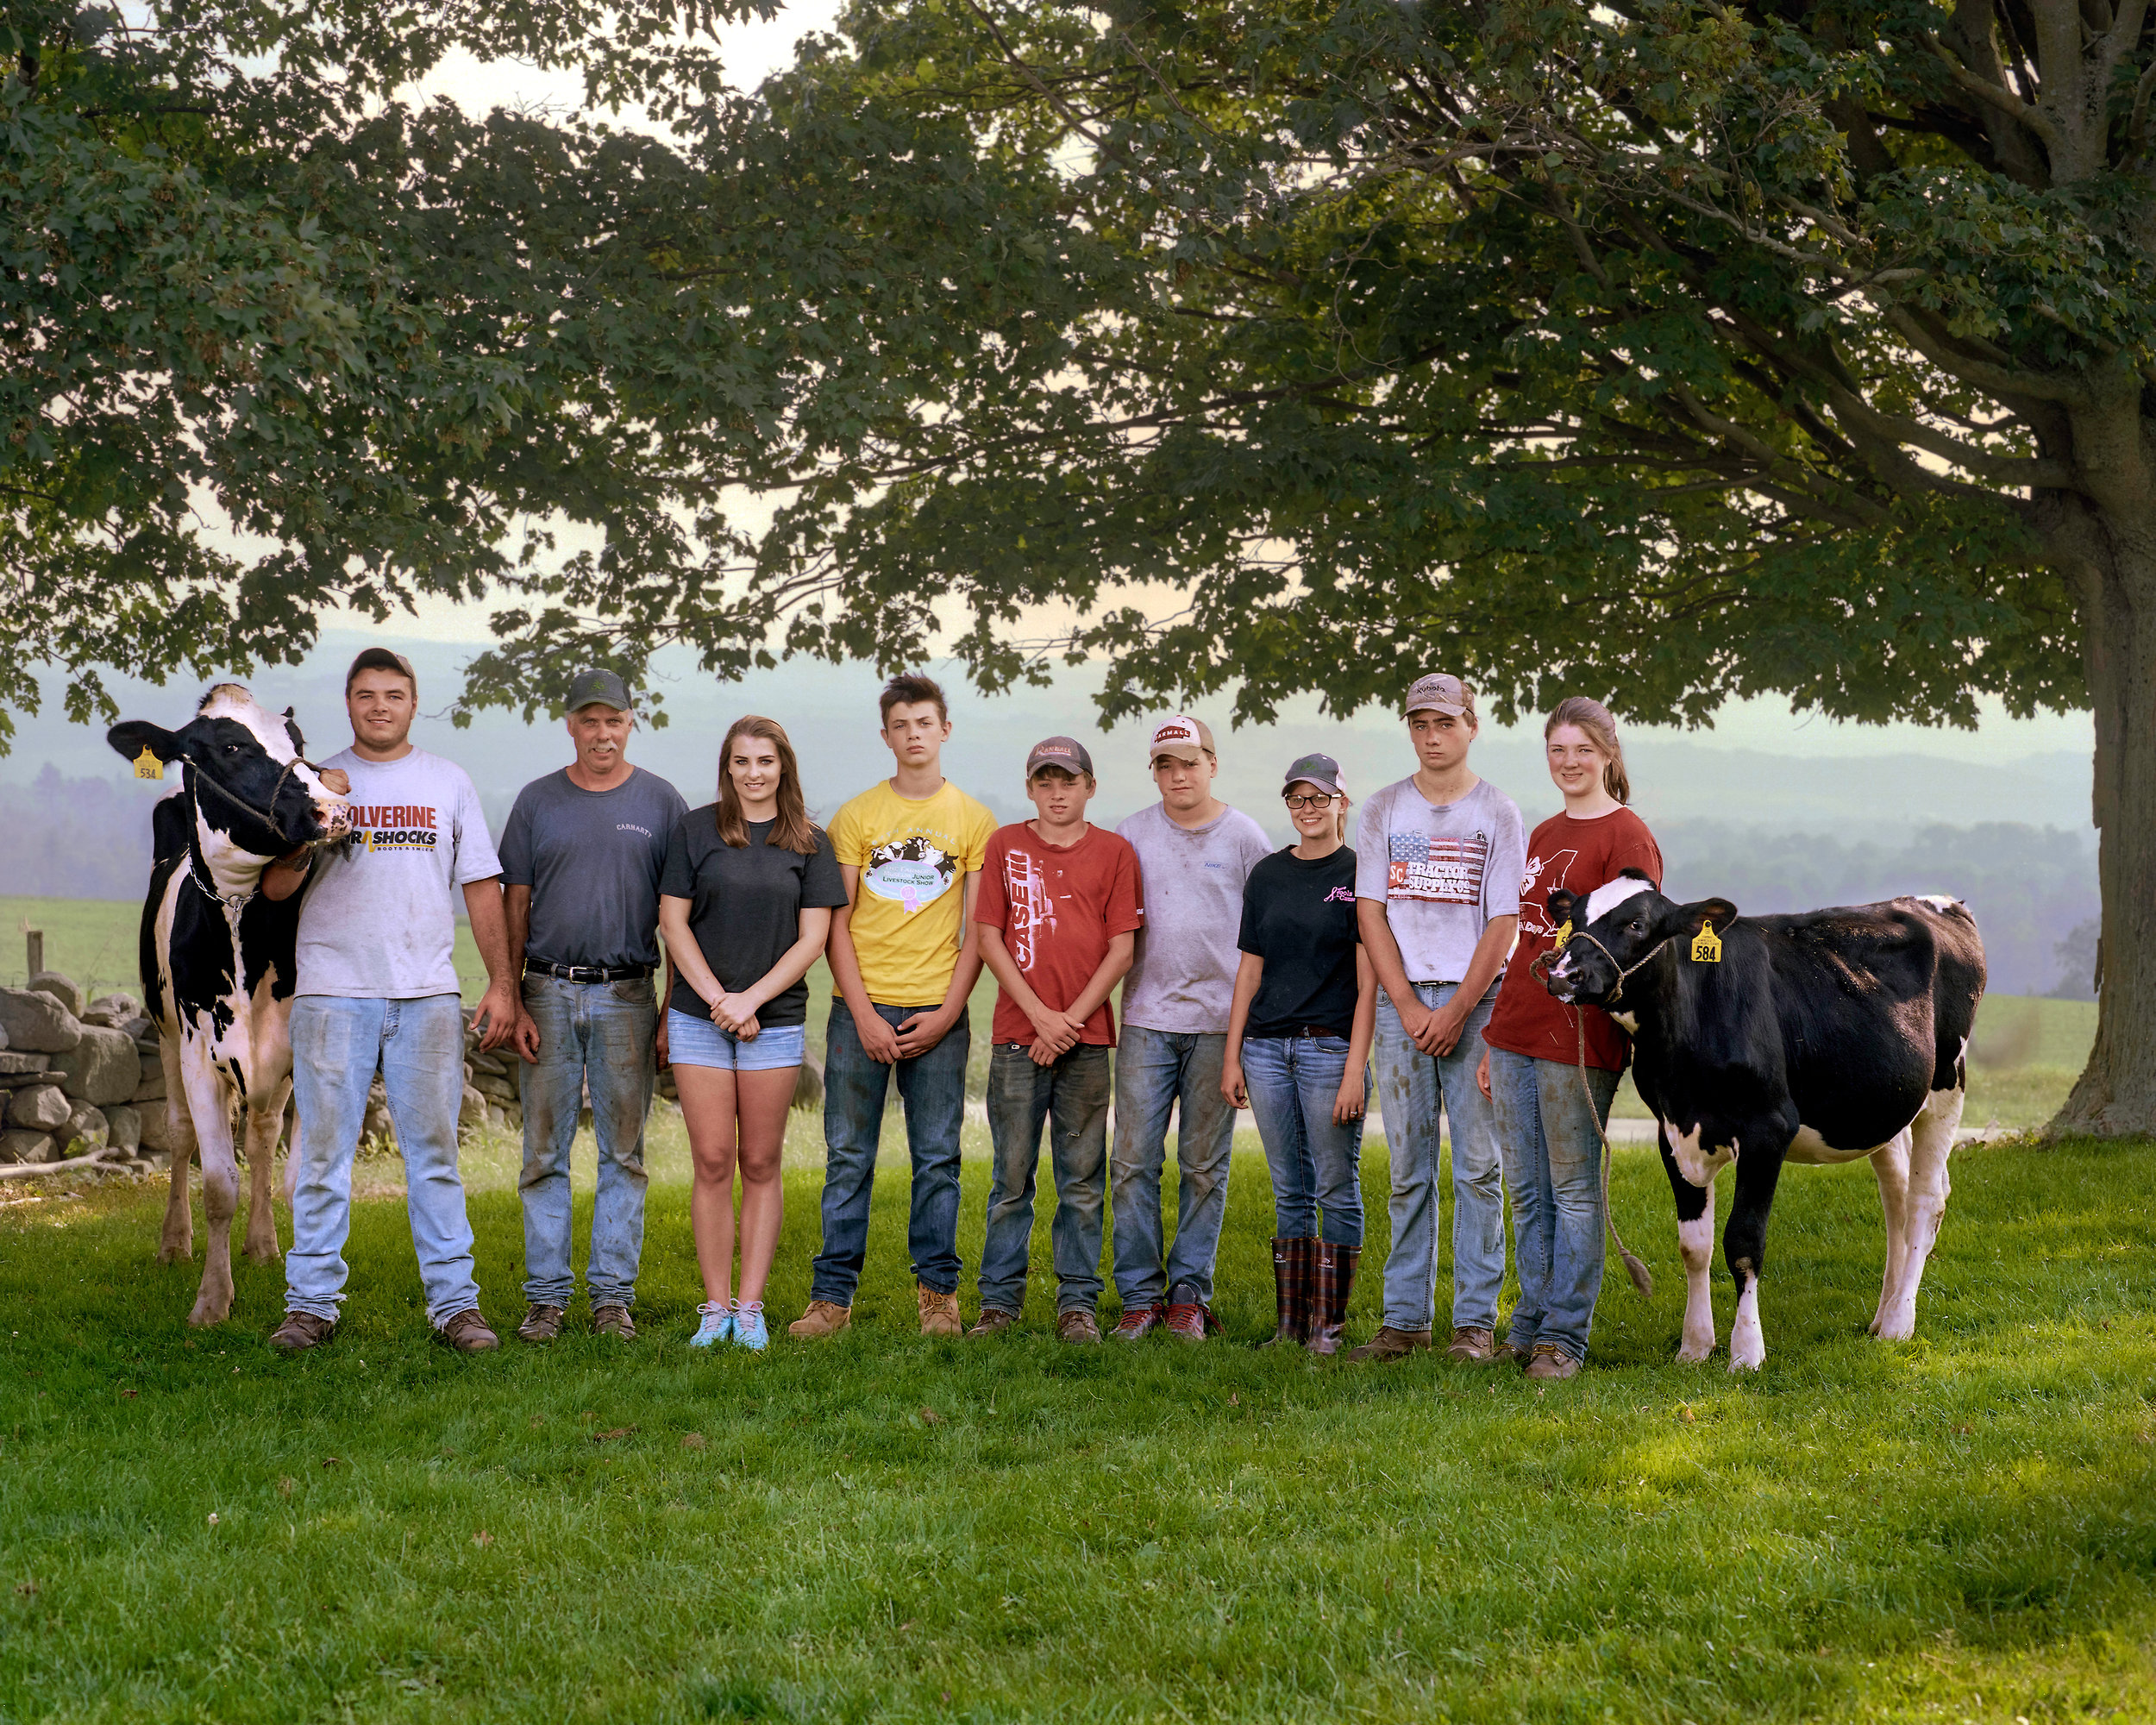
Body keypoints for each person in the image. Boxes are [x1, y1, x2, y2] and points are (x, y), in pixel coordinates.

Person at [265, 648, 517, 1354]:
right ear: (347, 703)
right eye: (366, 694)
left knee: (434, 1155)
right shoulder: (316, 785)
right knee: (322, 1155)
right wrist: (316, 822)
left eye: (395, 694)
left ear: (414, 703)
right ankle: (311, 1306)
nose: (380, 705)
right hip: (333, 992)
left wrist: (500, 982)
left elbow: (480, 888)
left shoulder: (447, 781)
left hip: (427, 995)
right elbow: (278, 889)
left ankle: (455, 1307)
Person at [792, 674, 996, 1339]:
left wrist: (946, 1014)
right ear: (886, 736)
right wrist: (864, 1013)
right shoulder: (856, 818)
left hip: (939, 1007)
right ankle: (831, 1301)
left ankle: (938, 1298)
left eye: (925, 722)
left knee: (937, 1156)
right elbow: (837, 927)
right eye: (901, 724)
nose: (914, 734)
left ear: (945, 730)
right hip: (863, 1007)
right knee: (849, 1154)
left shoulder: (973, 820)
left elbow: (976, 934)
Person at [498, 668, 687, 1345]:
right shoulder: (536, 802)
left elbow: (678, 919)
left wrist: (670, 1011)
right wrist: (511, 991)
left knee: (624, 1153)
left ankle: (612, 1299)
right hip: (546, 990)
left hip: (629, 992)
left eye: (614, 720)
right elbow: (513, 903)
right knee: (543, 1152)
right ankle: (546, 1299)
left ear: (631, 721)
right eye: (589, 720)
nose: (601, 733)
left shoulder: (662, 802)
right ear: (570, 725)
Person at [1479, 696, 1663, 1381]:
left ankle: (1565, 1339)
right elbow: (1530, 937)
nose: (1569, 762)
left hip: (1577, 1038)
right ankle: (1528, 1323)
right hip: (1515, 1029)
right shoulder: (1545, 831)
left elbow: (1634, 952)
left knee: (1574, 1190)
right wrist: (1496, 1036)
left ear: (1609, 754)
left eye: (1582, 749)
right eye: (1557, 749)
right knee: (1525, 1189)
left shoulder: (1627, 837)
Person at [1350, 672, 1526, 1365]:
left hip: (1475, 1003)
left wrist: (1455, 1010)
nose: (1432, 736)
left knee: (1480, 1168)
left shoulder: (1497, 813)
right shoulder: (1385, 808)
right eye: (1420, 724)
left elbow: (1504, 919)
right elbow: (1370, 911)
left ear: (1470, 727)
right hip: (1403, 1007)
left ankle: (1475, 1323)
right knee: (1407, 1167)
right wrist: (1407, 1005)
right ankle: (1404, 1321)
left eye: (1444, 723)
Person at [659, 716, 845, 1351]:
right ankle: (714, 1309)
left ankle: (751, 1308)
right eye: (742, 762)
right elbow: (673, 923)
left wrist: (752, 1000)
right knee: (712, 1161)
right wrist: (718, 1000)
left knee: (761, 1161)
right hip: (698, 1018)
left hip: (774, 1021)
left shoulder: (810, 844)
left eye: (765, 761)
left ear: (783, 767)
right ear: (728, 767)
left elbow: (813, 937)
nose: (754, 773)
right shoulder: (694, 832)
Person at [969, 737, 1143, 1344]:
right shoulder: (1005, 845)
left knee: (1082, 1177)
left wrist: (1066, 1020)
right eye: (1044, 782)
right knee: (1010, 1175)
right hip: (1020, 1036)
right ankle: (999, 1303)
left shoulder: (1116, 852)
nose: (1056, 792)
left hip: (1087, 1041)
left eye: (1067, 781)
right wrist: (1041, 1017)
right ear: (1029, 789)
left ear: (1090, 787)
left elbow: (1122, 949)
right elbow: (990, 937)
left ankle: (1078, 1306)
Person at [1108, 715, 1272, 1341]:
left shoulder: (1243, 837)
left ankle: (1189, 1295)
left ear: (1212, 764)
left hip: (1218, 1024)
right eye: (1165, 765)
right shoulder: (1132, 836)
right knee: (1131, 1161)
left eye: (1190, 762)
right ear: (1154, 771)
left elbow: (1265, 934)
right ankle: (1140, 1295)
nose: (1179, 775)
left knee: (1205, 1165)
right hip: (1147, 1019)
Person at [1222, 753, 1376, 1354]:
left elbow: (1370, 984)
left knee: (1335, 1184)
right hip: (1264, 1050)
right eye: (1297, 799)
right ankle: (1291, 1326)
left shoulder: (1362, 874)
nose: (1307, 810)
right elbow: (1249, 971)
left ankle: (1329, 1330)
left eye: (1319, 798)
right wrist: (1233, 1055)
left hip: (1327, 1049)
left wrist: (1354, 1069)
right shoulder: (1266, 875)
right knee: (1289, 1187)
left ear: (1343, 802)